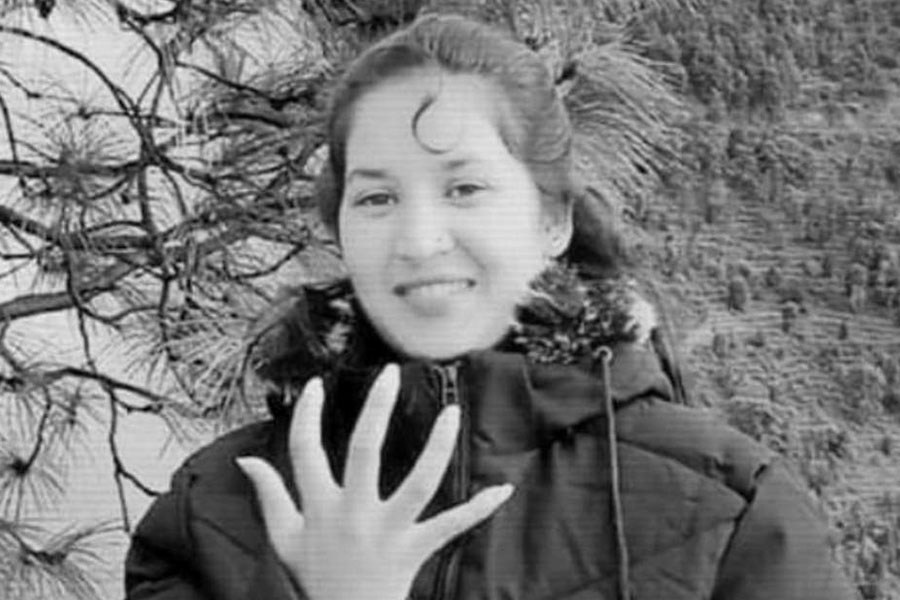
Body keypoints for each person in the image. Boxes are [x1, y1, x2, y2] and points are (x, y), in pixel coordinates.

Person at [124, 13, 856, 600]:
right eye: (377, 198)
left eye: (464, 188)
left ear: (553, 221)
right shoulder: (215, 510)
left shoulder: (731, 514)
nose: (419, 240)